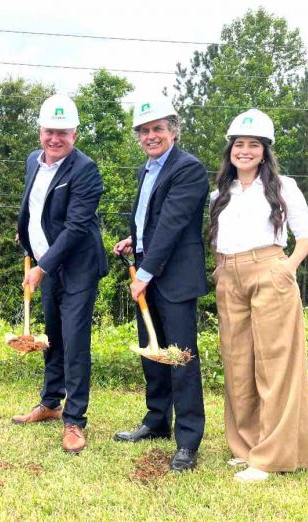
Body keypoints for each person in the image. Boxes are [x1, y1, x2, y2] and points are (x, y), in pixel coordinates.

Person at [210, 109, 308, 482]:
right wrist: (220, 270)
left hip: (270, 269)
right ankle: (247, 446)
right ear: (230, 151)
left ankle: (271, 457)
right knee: (238, 363)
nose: (245, 150)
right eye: (239, 144)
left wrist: (286, 269)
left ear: (265, 150)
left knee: (274, 364)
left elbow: (306, 234)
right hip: (229, 275)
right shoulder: (220, 192)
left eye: (253, 144)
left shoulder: (283, 185)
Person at [112, 97, 208, 472]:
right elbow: (149, 221)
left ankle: (187, 441)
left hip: (174, 280)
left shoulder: (189, 169)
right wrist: (133, 242)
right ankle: (156, 422)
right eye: (144, 131)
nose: (151, 136)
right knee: (154, 357)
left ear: (173, 130)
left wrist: (145, 273)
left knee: (180, 359)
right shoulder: (145, 170)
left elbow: (172, 224)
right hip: (148, 273)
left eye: (157, 129)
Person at [12, 94, 108, 453]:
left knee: (75, 340)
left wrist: (42, 267)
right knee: (53, 336)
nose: (55, 139)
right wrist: (26, 237)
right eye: (50, 131)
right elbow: (35, 209)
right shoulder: (32, 163)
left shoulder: (85, 170)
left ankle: (75, 420)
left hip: (78, 268)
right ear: (40, 131)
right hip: (46, 264)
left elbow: (76, 227)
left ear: (75, 135)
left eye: (63, 133)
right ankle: (51, 403)